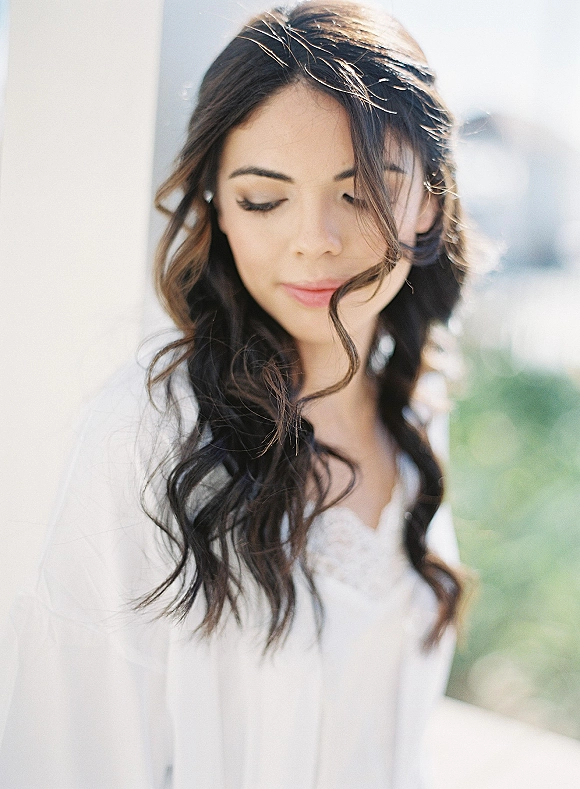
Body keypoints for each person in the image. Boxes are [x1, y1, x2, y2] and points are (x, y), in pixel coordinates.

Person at [0, 2, 470, 787]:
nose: (313, 236)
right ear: (217, 208)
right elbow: (70, 755)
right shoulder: (150, 437)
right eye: (263, 198)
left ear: (428, 198)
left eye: (361, 191)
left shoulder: (416, 404)